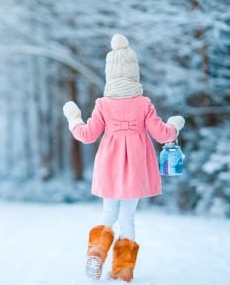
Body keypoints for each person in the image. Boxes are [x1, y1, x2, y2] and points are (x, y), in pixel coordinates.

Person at [62, 34, 185, 282]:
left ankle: (97, 250)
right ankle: (124, 269)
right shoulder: (143, 103)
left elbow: (87, 135)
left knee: (109, 213)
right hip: (137, 169)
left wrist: (74, 119)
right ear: (134, 72)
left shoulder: (103, 104)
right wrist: (175, 124)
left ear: (110, 73)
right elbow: (163, 134)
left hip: (109, 166)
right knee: (128, 217)